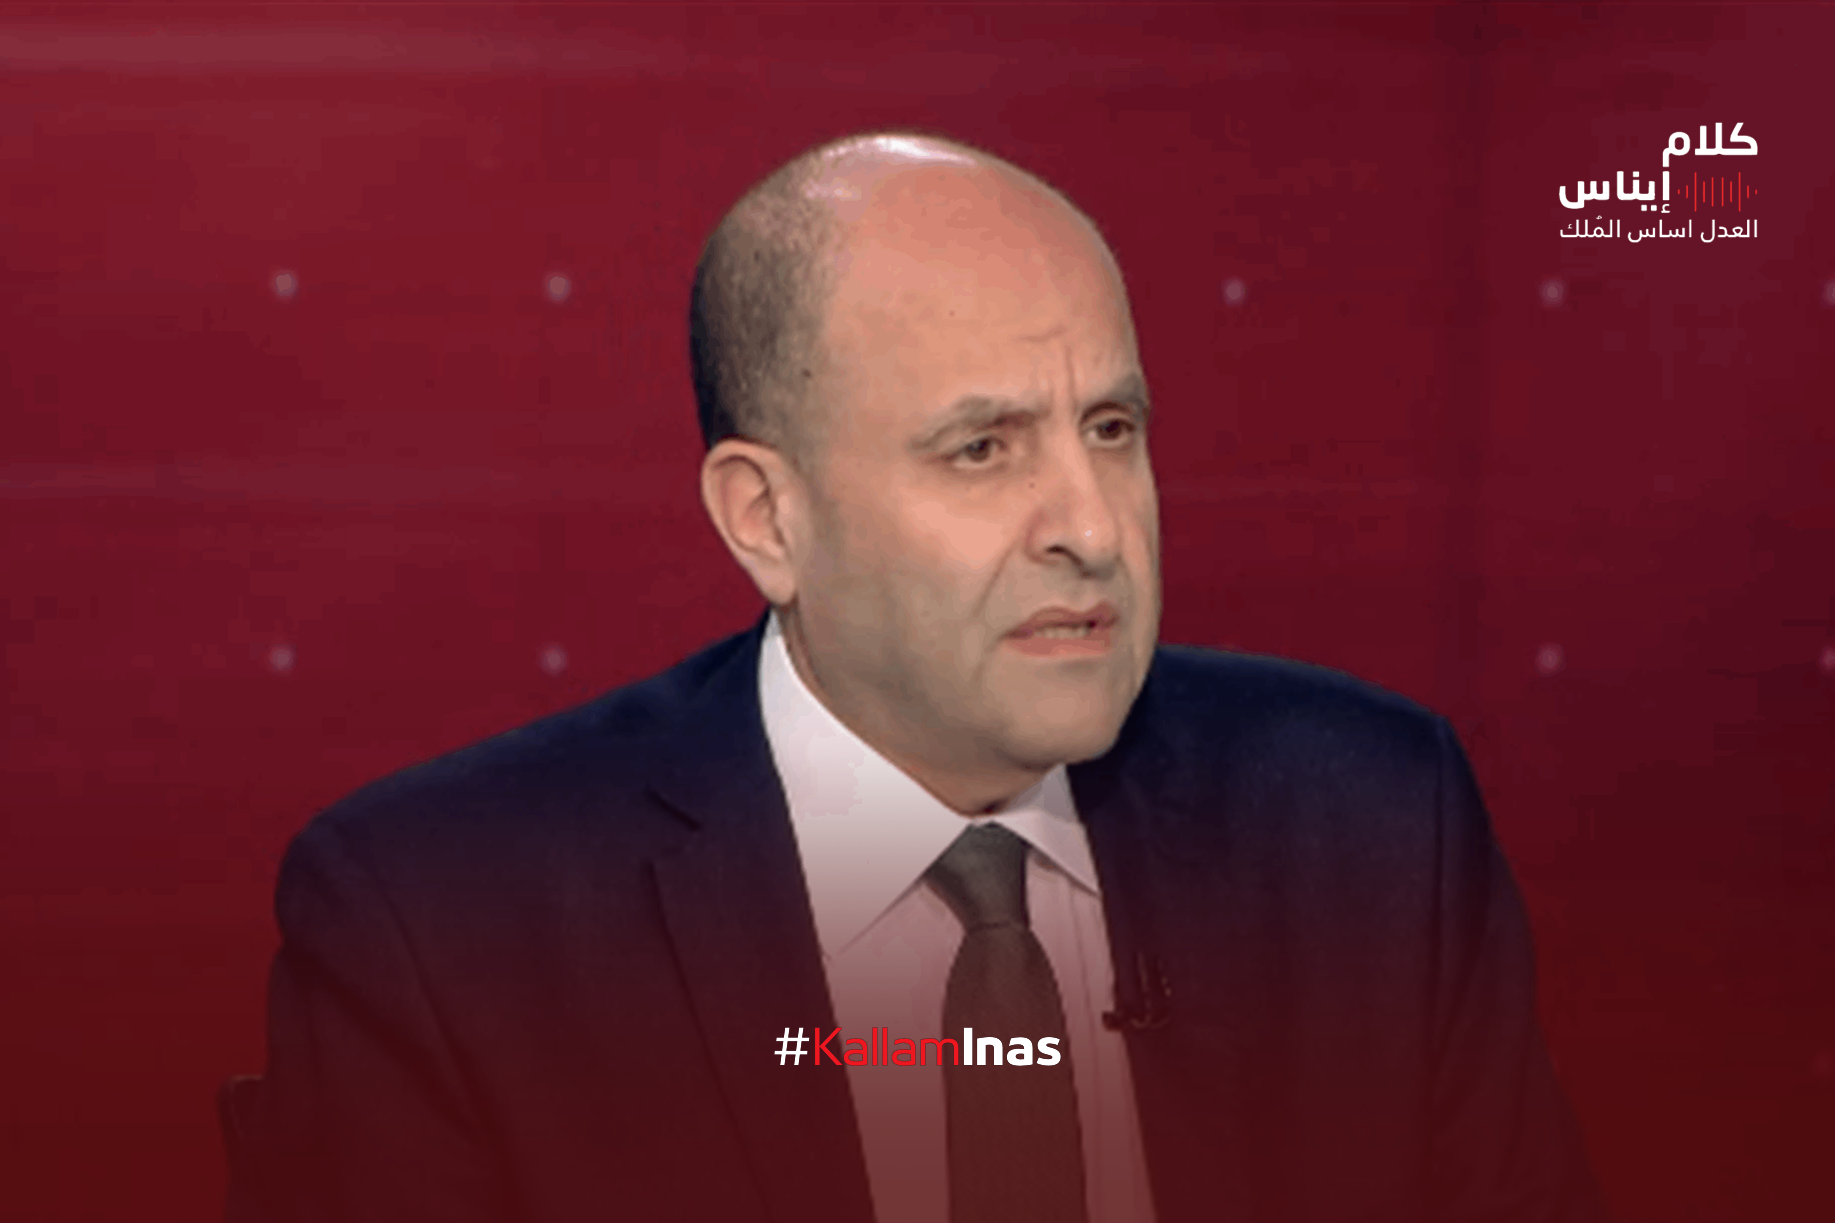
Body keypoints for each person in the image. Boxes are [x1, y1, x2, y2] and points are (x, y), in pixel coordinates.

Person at [226, 131, 1607, 1223]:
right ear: (768, 518)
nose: (1091, 526)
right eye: (981, 449)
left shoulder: (1373, 830)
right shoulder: (442, 927)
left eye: (1110, 428)